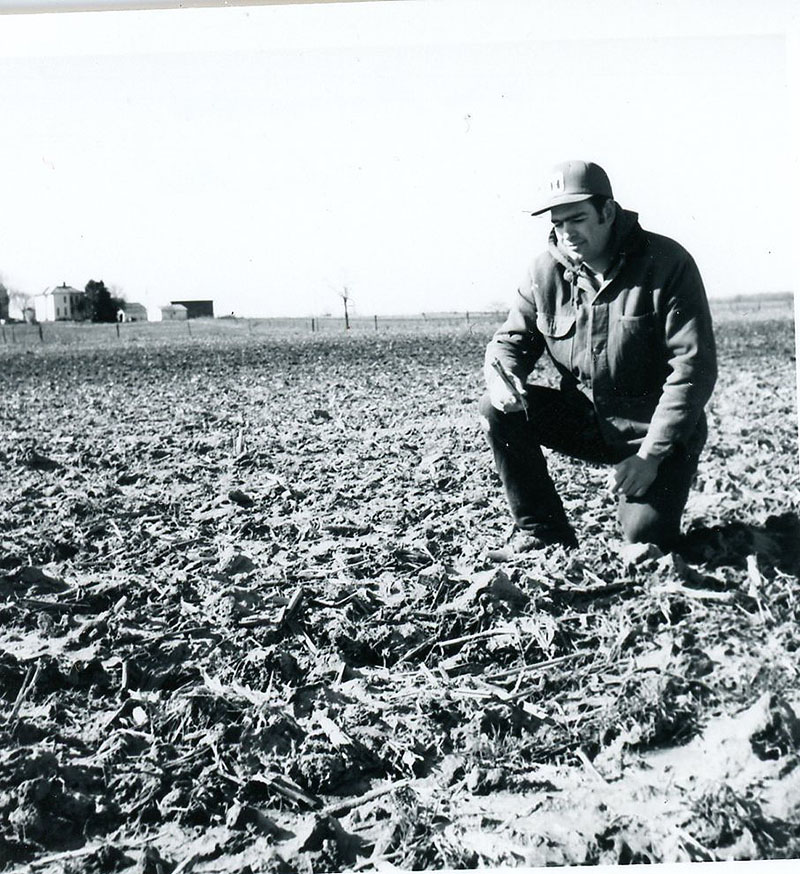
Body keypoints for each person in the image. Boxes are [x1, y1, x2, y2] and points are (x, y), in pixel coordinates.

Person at [480, 160, 717, 557]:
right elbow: (511, 340)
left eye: (577, 218)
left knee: (645, 541)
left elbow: (692, 368)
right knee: (496, 409)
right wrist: (501, 376)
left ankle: (666, 515)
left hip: (655, 430)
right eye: (558, 223)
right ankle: (544, 535)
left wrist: (649, 457)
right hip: (589, 420)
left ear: (607, 212)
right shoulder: (544, 272)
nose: (566, 232)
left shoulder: (668, 263)